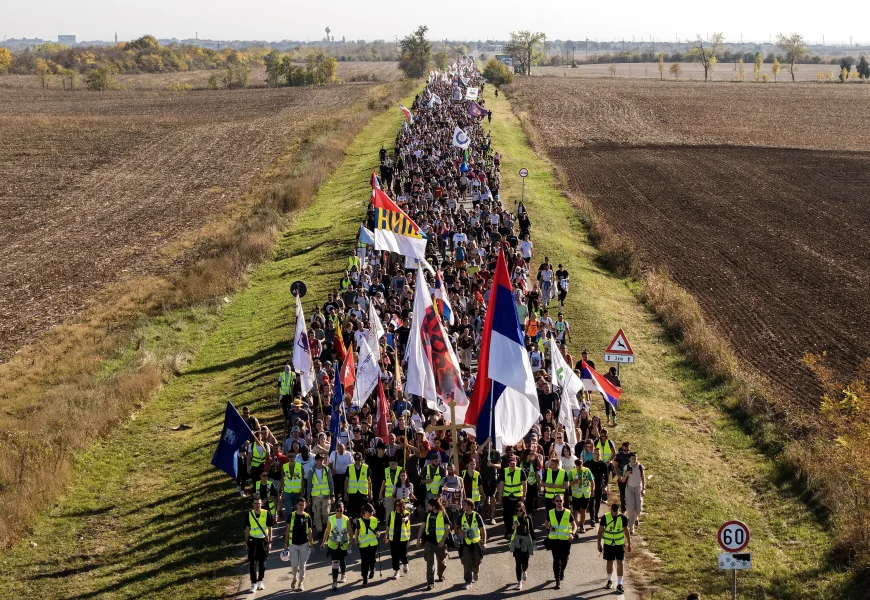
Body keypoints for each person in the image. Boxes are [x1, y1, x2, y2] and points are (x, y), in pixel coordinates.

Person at [597, 502, 631, 593]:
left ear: (619, 510)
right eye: (613, 512)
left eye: (616, 512)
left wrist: (629, 544)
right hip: (608, 544)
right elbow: (600, 530)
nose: (615, 514)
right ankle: (609, 580)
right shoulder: (605, 517)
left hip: (619, 544)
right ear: (611, 510)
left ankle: (619, 584)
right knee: (609, 562)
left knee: (620, 563)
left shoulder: (623, 518)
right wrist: (599, 543)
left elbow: (626, 531)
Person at [417, 497, 450, 591]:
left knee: (441, 561)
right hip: (429, 542)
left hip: (440, 543)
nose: (428, 507)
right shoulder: (427, 514)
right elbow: (422, 527)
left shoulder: (443, 514)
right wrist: (418, 538)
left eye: (429, 505)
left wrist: (443, 540)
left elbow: (447, 529)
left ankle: (440, 574)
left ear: (434, 506)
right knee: (429, 562)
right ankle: (430, 582)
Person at [282, 497, 315, 592]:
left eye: (303, 505)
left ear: (305, 505)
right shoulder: (291, 516)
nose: (301, 506)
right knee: (294, 565)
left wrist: (311, 544)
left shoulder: (307, 517)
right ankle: (294, 578)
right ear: (296, 505)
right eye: (300, 505)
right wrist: (285, 543)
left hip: (304, 544)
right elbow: (287, 530)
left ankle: (301, 583)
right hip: (293, 544)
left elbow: (310, 531)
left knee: (302, 565)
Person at [544, 494, 577, 590]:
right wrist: (549, 527)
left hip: (565, 540)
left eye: (560, 501)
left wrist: (572, 534)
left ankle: (562, 571)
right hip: (554, 540)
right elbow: (546, 523)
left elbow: (574, 525)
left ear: (563, 501)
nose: (559, 503)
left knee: (564, 560)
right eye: (557, 501)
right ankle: (557, 581)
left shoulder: (568, 512)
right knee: (556, 560)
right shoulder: (551, 512)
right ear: (554, 502)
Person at [244, 495, 273, 594]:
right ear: (253, 504)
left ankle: (260, 580)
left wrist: (270, 541)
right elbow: (247, 529)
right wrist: (246, 542)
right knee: (252, 563)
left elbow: (270, 528)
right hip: (252, 540)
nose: (257, 505)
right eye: (255, 503)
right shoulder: (249, 514)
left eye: (259, 503)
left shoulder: (266, 513)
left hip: (263, 540)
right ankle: (253, 583)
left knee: (262, 563)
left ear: (262, 504)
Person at [322, 502, 352, 591]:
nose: (339, 512)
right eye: (338, 510)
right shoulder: (331, 518)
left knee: (342, 560)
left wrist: (350, 542)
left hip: (343, 543)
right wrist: (324, 541)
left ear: (343, 510)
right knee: (335, 562)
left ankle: (343, 574)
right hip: (333, 544)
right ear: (335, 511)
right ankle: (334, 581)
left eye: (341, 510)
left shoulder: (346, 519)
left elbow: (350, 530)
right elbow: (327, 530)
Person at [458, 498, 487, 590]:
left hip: (476, 542)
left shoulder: (477, 516)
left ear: (470, 506)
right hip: (465, 543)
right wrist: (459, 532)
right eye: (463, 504)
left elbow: (483, 530)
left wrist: (484, 542)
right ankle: (468, 581)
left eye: (465, 505)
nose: (463, 506)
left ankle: (476, 570)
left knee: (477, 561)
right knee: (466, 561)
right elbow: (456, 528)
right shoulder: (461, 516)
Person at [497, 455, 526, 540]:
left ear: (516, 463)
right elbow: (501, 484)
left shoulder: (520, 471)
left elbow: (524, 484)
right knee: (507, 515)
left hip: (517, 497)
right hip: (507, 497)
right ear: (508, 463)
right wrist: (500, 495)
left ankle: (519, 531)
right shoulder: (504, 471)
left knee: (518, 514)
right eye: (510, 463)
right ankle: (509, 531)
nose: (512, 465)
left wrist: (524, 495)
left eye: (513, 463)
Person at [307, 453, 334, 540]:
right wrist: (308, 496)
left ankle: (325, 526)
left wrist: (332, 494)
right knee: (317, 513)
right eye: (320, 460)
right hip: (316, 495)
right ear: (316, 460)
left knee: (326, 512)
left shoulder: (327, 469)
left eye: (322, 460)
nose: (321, 462)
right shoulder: (311, 471)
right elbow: (309, 484)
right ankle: (319, 530)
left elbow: (330, 482)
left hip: (325, 495)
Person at [509, 501, 535, 590]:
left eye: (520, 510)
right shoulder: (514, 518)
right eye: (517, 510)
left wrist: (534, 541)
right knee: (518, 563)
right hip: (517, 542)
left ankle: (524, 570)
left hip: (526, 542)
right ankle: (519, 582)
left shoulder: (528, 518)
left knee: (525, 562)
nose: (519, 512)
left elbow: (531, 530)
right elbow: (509, 531)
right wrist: (513, 526)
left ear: (524, 510)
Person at [383, 498, 412, 579]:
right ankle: (396, 571)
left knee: (403, 554)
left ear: (402, 505)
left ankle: (405, 564)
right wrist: (386, 535)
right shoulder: (392, 514)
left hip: (403, 538)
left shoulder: (406, 513)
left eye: (399, 505)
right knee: (394, 556)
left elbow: (407, 517)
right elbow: (388, 526)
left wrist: (405, 519)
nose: (397, 507)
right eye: (396, 505)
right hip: (393, 538)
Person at [620, 452, 646, 533]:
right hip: (629, 489)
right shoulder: (626, 467)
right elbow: (623, 480)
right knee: (630, 509)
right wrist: (626, 474)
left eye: (635, 458)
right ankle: (631, 527)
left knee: (638, 509)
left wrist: (643, 489)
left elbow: (643, 478)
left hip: (638, 488)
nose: (634, 460)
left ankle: (635, 517)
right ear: (629, 459)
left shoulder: (640, 467)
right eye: (632, 459)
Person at [355, 503, 379, 586]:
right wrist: (356, 540)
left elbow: (377, 530)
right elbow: (357, 531)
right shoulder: (359, 521)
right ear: (365, 512)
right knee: (364, 561)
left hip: (373, 544)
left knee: (372, 559)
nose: (371, 513)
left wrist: (378, 534)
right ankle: (364, 578)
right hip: (363, 544)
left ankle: (372, 569)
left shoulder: (375, 520)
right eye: (370, 512)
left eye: (372, 511)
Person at [569, 458, 595, 533]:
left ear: (582, 464)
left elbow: (592, 481)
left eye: (580, 465)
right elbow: (568, 484)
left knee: (583, 511)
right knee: (576, 512)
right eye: (578, 465)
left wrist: (592, 491)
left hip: (585, 495)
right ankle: (576, 528)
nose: (579, 467)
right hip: (576, 495)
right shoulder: (572, 472)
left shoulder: (587, 470)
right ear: (575, 465)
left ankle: (582, 526)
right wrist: (573, 482)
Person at [585, 448, 609, 526]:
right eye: (595, 454)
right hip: (590, 486)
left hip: (599, 485)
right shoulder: (588, 463)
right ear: (593, 454)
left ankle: (596, 515)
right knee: (591, 502)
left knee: (598, 501)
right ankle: (592, 518)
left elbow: (606, 476)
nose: (596, 455)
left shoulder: (603, 464)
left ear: (600, 455)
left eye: (598, 454)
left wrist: (605, 486)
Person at [345, 452, 372, 519]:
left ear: (361, 459)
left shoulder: (366, 467)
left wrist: (370, 493)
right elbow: (346, 481)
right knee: (353, 513)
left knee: (363, 512)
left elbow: (369, 481)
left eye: (359, 460)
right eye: (356, 460)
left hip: (363, 493)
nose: (357, 461)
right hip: (353, 493)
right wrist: (345, 493)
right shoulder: (349, 467)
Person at [281, 453, 305, 523]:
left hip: (297, 492)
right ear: (287, 457)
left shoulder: (300, 466)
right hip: (287, 491)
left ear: (295, 457)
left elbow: (302, 479)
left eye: (292, 456)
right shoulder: (284, 466)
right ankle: (288, 525)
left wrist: (302, 491)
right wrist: (281, 489)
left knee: (297, 509)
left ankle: (296, 524)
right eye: (289, 456)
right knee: (287, 510)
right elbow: (282, 478)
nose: (291, 458)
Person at [380, 454, 403, 520]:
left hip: (398, 495)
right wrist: (380, 493)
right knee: (389, 514)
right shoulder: (386, 470)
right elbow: (383, 483)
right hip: (389, 495)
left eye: (393, 464)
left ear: (397, 463)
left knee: (399, 512)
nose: (392, 465)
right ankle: (388, 525)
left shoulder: (401, 469)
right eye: (390, 464)